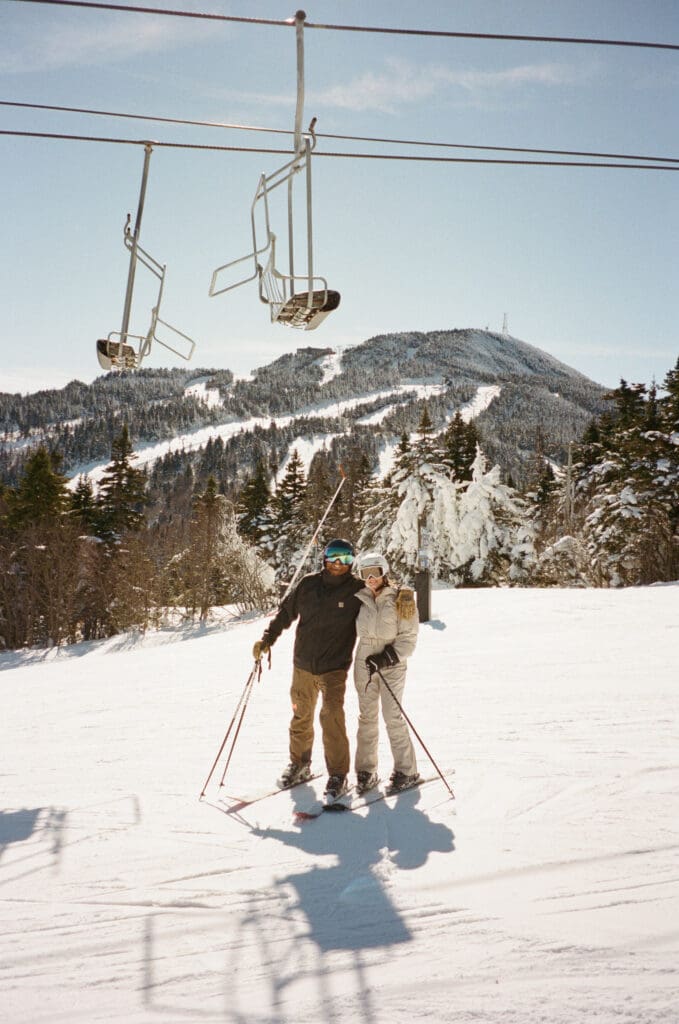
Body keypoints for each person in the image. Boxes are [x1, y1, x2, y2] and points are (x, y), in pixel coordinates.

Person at [253, 538, 364, 800]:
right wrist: (267, 639)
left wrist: (401, 597)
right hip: (303, 664)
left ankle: (338, 774)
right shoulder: (308, 584)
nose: (338, 564)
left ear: (352, 562)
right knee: (301, 715)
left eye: (345, 558)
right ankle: (300, 764)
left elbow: (382, 597)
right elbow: (285, 613)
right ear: (324, 558)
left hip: (334, 668)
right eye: (334, 557)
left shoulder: (357, 590)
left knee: (332, 717)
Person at [353, 551, 420, 796]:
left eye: (375, 573)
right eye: (365, 574)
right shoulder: (359, 599)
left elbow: (408, 640)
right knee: (366, 716)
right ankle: (366, 770)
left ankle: (407, 769)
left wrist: (386, 658)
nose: (370, 578)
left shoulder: (401, 599)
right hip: (364, 663)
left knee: (392, 716)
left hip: (391, 663)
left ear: (384, 572)